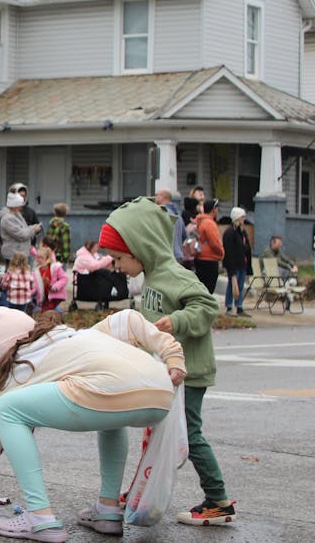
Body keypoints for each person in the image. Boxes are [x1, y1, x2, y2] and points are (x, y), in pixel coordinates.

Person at [0, 308, 186, 542]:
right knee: (110, 415)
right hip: (162, 391)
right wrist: (172, 355)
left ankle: (40, 517)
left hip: (113, 390)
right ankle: (107, 510)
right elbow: (129, 319)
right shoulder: (78, 336)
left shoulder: (21, 366)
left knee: (6, 409)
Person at [96, 197, 232, 527]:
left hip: (191, 371)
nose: (116, 265)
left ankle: (218, 500)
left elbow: (207, 307)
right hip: (168, 370)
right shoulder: (154, 277)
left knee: (191, 435)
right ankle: (141, 490)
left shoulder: (173, 274)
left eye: (118, 258)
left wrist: (177, 322)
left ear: (140, 248)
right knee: (157, 434)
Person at [221, 206, 251, 316]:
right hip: (233, 264)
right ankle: (229, 306)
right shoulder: (230, 232)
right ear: (237, 218)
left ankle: (239, 306)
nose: (244, 220)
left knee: (241, 285)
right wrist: (230, 268)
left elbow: (246, 246)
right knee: (232, 285)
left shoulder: (241, 232)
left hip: (242, 264)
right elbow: (228, 251)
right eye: (242, 217)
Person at [192, 199, 224, 296]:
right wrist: (222, 253)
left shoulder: (199, 221)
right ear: (214, 209)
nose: (218, 210)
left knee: (201, 288)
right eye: (217, 208)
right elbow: (215, 243)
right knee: (208, 291)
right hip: (209, 260)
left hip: (199, 257)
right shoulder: (209, 223)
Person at [72, 239, 115, 312]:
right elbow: (94, 266)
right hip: (85, 281)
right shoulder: (83, 257)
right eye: (95, 247)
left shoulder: (93, 255)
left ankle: (106, 298)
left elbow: (99, 262)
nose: (97, 249)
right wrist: (109, 258)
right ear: (90, 247)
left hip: (89, 279)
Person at [0, 192, 41, 266]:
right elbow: (21, 234)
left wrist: (32, 227)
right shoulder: (7, 219)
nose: (22, 207)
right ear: (15, 205)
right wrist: (33, 229)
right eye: (20, 205)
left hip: (21, 253)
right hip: (13, 255)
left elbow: (24, 229)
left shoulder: (17, 215)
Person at [35, 246, 67, 312]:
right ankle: (59, 316)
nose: (38, 259)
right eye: (37, 257)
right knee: (46, 312)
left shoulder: (55, 268)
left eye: (41, 258)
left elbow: (64, 279)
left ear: (47, 258)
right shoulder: (36, 270)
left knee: (48, 311)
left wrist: (55, 286)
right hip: (44, 296)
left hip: (54, 295)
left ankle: (59, 316)